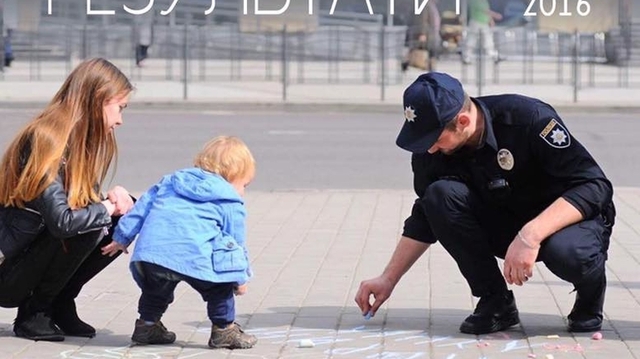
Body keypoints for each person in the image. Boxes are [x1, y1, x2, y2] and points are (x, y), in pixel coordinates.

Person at [355, 72, 615, 335]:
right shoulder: (429, 151)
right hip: (505, 219)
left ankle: (590, 294)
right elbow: (425, 217)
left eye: (434, 138)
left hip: (565, 220)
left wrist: (531, 235)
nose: (430, 148)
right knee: (439, 196)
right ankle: (495, 301)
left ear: (463, 121)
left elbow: (595, 187)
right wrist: (388, 278)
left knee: (569, 255)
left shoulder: (528, 119)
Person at [0, 58, 135, 341]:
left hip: (28, 260)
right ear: (99, 99)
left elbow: (84, 203)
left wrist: (114, 199)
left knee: (125, 215)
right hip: (7, 273)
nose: (121, 120)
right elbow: (62, 221)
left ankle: (60, 302)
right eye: (120, 108)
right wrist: (106, 206)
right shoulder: (45, 139)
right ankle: (34, 313)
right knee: (93, 221)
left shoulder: (74, 139)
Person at [102, 136, 258, 349]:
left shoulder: (171, 182)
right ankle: (224, 331)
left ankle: (147, 326)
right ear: (232, 177)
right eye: (244, 184)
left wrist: (121, 237)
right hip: (196, 256)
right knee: (219, 288)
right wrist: (240, 277)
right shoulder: (230, 199)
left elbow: (141, 209)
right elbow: (235, 244)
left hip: (154, 255)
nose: (243, 191)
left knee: (155, 291)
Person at [401, 0, 441, 72]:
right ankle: (406, 63)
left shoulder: (430, 4)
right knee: (422, 51)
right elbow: (423, 19)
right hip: (428, 35)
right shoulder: (424, 4)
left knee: (427, 53)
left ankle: (431, 69)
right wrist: (422, 33)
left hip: (432, 34)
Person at [462, 0, 503, 64]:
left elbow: (486, 11)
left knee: (488, 39)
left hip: (484, 22)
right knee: (471, 40)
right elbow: (485, 10)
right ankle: (466, 57)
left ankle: (494, 56)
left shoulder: (484, 1)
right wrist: (496, 15)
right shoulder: (475, 1)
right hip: (476, 22)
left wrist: (491, 20)